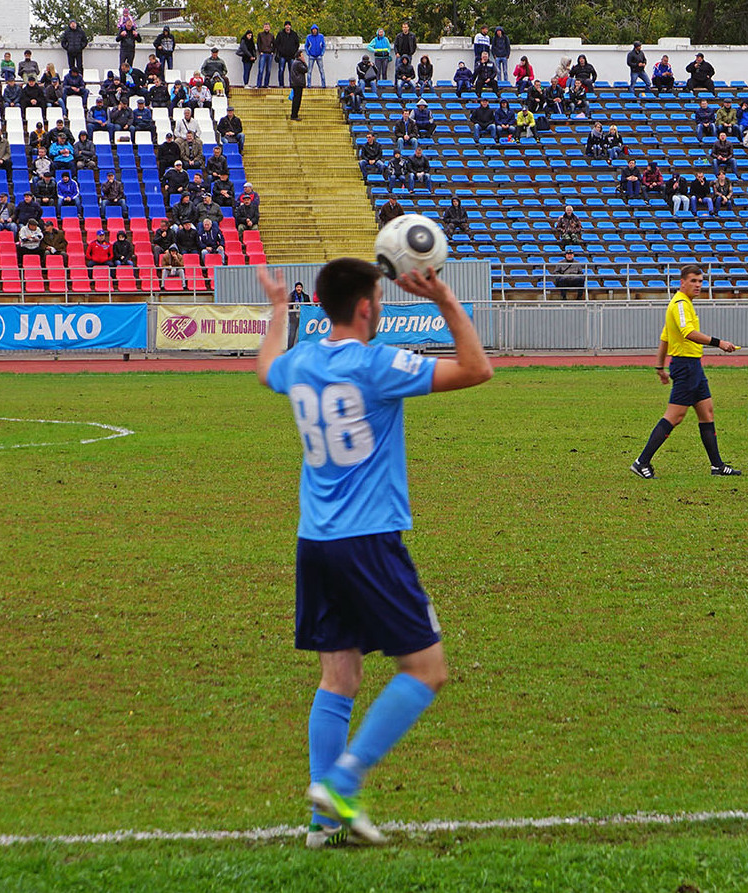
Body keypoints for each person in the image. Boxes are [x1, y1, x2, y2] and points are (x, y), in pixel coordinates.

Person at [254, 256, 492, 850]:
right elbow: (477, 368)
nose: (382, 308)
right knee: (427, 669)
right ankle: (342, 782)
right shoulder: (378, 363)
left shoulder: (301, 363)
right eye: (380, 300)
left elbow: (265, 369)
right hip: (369, 543)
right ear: (365, 307)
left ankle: (323, 825)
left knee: (338, 675)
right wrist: (442, 296)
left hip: (316, 544)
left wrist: (279, 310)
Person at [631, 264, 742, 479]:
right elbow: (688, 332)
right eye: (693, 281)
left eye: (700, 281)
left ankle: (717, 465)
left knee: (707, 412)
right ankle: (641, 461)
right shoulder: (680, 304)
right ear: (682, 282)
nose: (698, 285)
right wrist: (719, 343)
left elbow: (665, 338)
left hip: (693, 367)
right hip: (685, 367)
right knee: (675, 416)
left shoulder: (684, 304)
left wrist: (659, 367)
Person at [290, 51, 308, 120]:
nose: (303, 57)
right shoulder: (298, 63)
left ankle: (294, 114)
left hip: (295, 83)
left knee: (296, 99)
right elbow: (306, 69)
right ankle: (294, 115)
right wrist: (304, 62)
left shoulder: (295, 63)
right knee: (297, 100)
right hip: (298, 83)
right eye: (302, 56)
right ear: (299, 56)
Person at [257, 23, 276, 88]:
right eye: (265, 27)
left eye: (267, 27)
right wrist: (260, 51)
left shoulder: (271, 35)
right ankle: (259, 85)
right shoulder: (260, 35)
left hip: (269, 54)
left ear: (269, 28)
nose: (266, 28)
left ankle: (266, 84)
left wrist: (273, 51)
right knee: (261, 70)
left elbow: (274, 44)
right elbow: (258, 43)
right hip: (263, 54)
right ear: (263, 27)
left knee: (268, 70)